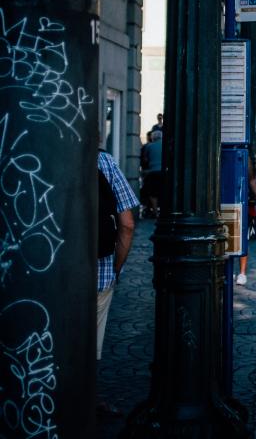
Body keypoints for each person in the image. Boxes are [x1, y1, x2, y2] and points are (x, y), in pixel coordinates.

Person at [96, 150, 138, 415]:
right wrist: (115, 268)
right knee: (91, 341)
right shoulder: (104, 162)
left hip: (43, 274)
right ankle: (87, 397)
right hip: (98, 271)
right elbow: (128, 224)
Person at [140, 130, 163, 218]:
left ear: (152, 137)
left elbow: (145, 159)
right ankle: (162, 211)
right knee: (162, 192)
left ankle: (155, 212)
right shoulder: (164, 145)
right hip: (163, 172)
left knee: (153, 193)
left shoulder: (149, 146)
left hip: (152, 172)